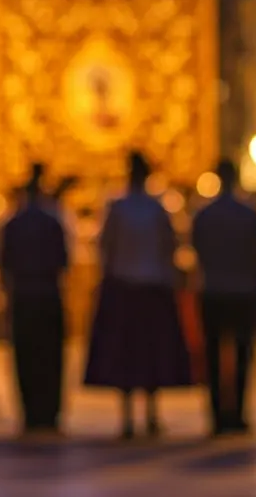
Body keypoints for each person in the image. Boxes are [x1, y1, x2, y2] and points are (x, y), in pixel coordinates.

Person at [84, 152, 192, 439]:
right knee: (148, 354)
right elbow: (170, 246)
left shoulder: (120, 208)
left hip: (126, 286)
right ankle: (148, 415)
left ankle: (131, 417)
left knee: (130, 354)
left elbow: (105, 247)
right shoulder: (155, 209)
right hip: (149, 286)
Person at [191, 159, 256, 436]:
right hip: (242, 290)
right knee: (243, 354)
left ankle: (217, 413)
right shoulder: (247, 215)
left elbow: (197, 250)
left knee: (213, 355)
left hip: (214, 290)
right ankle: (239, 413)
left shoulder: (205, 215)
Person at [1, 166, 70, 434]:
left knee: (26, 357)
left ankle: (31, 413)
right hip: (47, 294)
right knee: (50, 358)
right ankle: (49, 413)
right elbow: (63, 261)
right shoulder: (52, 222)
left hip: (24, 296)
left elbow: (5, 262)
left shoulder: (14, 224)